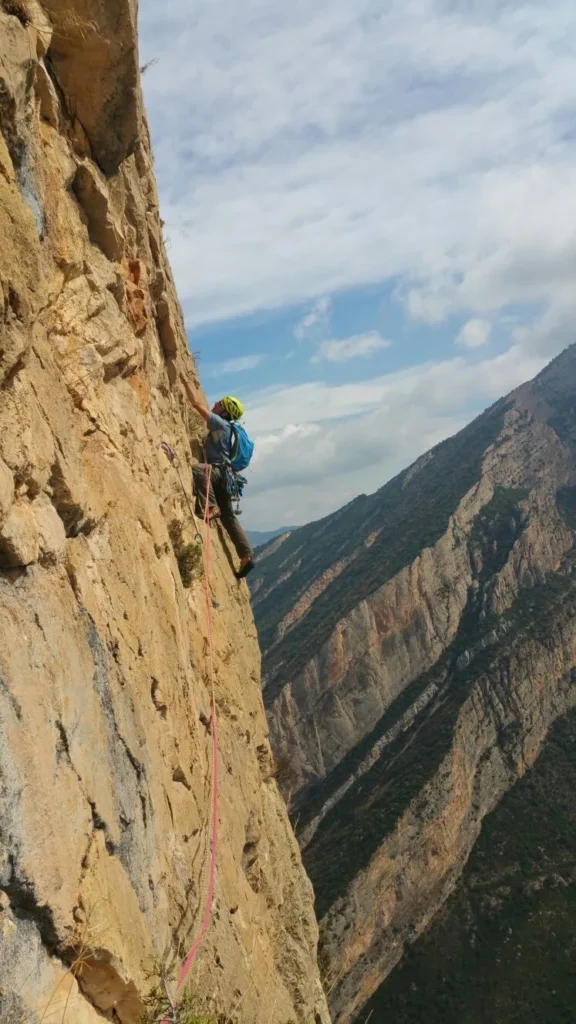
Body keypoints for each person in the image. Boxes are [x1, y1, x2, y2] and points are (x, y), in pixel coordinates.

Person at [179, 373, 254, 579]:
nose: (214, 404)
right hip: (226, 477)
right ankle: (246, 555)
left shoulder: (220, 423)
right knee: (229, 517)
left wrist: (184, 380)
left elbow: (196, 404)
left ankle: (211, 507)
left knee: (199, 469)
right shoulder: (230, 428)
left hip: (217, 472)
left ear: (225, 411)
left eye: (219, 403)